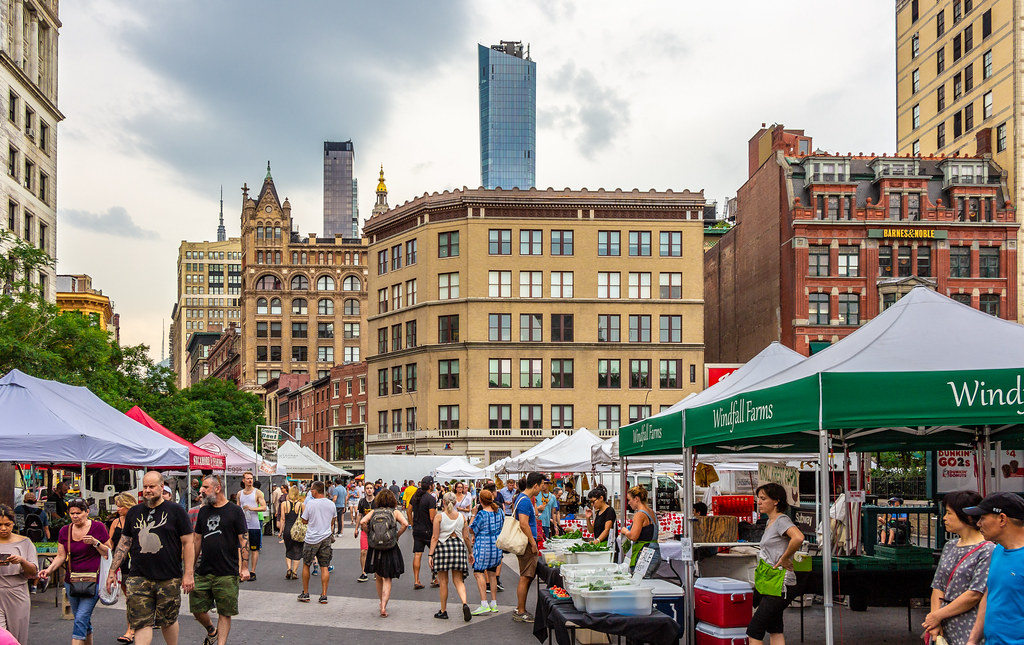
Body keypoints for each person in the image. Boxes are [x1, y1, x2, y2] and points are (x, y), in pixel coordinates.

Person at [106, 471, 195, 645]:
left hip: (168, 577)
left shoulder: (176, 511)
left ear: (162, 487)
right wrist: (112, 570)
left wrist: (189, 574)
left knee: (167, 620)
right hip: (138, 576)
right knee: (140, 622)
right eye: (145, 486)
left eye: (152, 486)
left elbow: (188, 543)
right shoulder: (134, 512)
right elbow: (124, 543)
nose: (147, 490)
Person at [922, 490, 993, 645]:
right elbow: (938, 585)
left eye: (949, 513)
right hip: (941, 625)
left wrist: (938, 615)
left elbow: (975, 594)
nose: (945, 518)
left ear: (967, 516)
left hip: (968, 627)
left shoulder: (987, 550)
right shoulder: (950, 546)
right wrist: (934, 620)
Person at [190, 476, 249, 645]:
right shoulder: (204, 511)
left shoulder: (234, 511)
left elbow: (243, 539)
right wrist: (190, 569)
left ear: (217, 488)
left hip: (227, 571)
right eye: (202, 487)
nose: (202, 490)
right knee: (197, 608)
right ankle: (211, 630)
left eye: (206, 487)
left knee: (225, 611)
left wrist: (245, 567)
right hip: (204, 570)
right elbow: (197, 540)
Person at [46, 499, 113, 645]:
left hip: (93, 580)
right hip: (72, 581)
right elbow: (61, 556)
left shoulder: (98, 527)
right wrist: (49, 570)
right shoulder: (65, 531)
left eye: (79, 513)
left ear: (87, 512)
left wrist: (96, 543)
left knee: (81, 618)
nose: (75, 516)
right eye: (72, 513)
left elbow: (108, 552)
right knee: (81, 619)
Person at [746, 482, 805, 645]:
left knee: (754, 630)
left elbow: (798, 537)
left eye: (763, 498)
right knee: (775, 628)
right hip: (771, 582)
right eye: (758, 498)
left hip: (781, 583)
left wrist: (785, 558)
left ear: (776, 501)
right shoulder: (769, 521)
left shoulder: (781, 520)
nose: (759, 502)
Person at [966, 492, 1024, 645]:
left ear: (1002, 519)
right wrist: (973, 640)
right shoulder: (998, 550)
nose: (978, 524)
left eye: (983, 518)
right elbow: (990, 594)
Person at [361, 488, 408, 617]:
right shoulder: (395, 512)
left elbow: (362, 521)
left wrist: (369, 533)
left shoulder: (374, 512)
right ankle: (384, 606)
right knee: (387, 577)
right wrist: (396, 535)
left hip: (375, 546)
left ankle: (380, 601)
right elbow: (405, 524)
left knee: (378, 575)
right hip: (390, 546)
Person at [428, 492, 473, 622]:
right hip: (458, 547)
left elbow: (435, 537)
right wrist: (470, 552)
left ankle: (443, 611)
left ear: (443, 502)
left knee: (443, 582)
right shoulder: (462, 517)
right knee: (458, 581)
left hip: (443, 547)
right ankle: (464, 603)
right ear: (455, 503)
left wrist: (431, 554)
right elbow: (466, 537)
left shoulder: (439, 517)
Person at [0, 504, 39, 645]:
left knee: (16, 637)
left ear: (13, 524)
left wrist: (21, 561)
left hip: (17, 592)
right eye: (0, 525)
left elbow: (33, 572)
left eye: (7, 524)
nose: (3, 528)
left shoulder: (25, 542)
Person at [297, 481, 335, 604]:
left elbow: (304, 520)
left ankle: (306, 592)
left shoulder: (311, 504)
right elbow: (333, 520)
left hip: (312, 538)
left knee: (306, 564)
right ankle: (324, 595)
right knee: (325, 566)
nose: (310, 491)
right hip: (326, 537)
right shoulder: (331, 504)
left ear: (315, 490)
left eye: (311, 489)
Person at [108, 492, 138, 644]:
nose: (118, 508)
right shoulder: (116, 522)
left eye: (121, 506)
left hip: (136, 563)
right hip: (122, 564)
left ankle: (131, 630)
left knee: (133, 598)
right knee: (129, 598)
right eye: (117, 506)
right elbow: (110, 543)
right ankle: (133, 627)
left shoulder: (137, 520)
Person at [512, 473, 542, 623]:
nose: (542, 488)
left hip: (526, 542)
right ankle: (520, 610)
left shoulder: (523, 499)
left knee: (527, 576)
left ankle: (520, 608)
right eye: (542, 485)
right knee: (525, 576)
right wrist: (532, 542)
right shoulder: (524, 501)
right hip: (526, 543)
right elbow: (523, 523)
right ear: (535, 485)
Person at [468, 488, 503, 615]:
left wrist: (472, 515)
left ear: (480, 500)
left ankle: (484, 603)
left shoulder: (482, 514)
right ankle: (494, 603)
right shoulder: (499, 512)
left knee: (478, 572)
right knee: (492, 574)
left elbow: (471, 529)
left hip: (483, 546)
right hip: (496, 545)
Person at [619, 485, 661, 574]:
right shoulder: (651, 512)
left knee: (640, 581)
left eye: (629, 500)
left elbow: (633, 536)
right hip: (655, 553)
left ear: (636, 499)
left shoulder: (639, 515)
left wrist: (625, 531)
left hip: (644, 554)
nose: (629, 503)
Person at [236, 472, 267, 582]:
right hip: (243, 525)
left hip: (254, 525)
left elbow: (264, 507)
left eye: (251, 478)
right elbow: (237, 508)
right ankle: (241, 571)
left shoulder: (257, 493)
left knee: (254, 549)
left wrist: (252, 508)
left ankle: (252, 571)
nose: (250, 480)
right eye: (247, 478)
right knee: (241, 548)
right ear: (243, 480)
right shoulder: (240, 493)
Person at [410, 476, 438, 590]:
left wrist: (412, 524)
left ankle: (416, 580)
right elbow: (432, 517)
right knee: (434, 554)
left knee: (417, 554)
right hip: (428, 530)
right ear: (430, 485)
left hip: (417, 530)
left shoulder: (416, 496)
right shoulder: (430, 499)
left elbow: (408, 510)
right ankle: (434, 578)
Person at [280, 486, 304, 580]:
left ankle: (289, 569)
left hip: (287, 529)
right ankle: (294, 572)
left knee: (288, 549)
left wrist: (281, 531)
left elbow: (282, 519)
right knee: (298, 550)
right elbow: (305, 519)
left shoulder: (284, 504)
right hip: (297, 530)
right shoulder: (302, 504)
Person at [356, 482, 376, 582]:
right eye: (367, 488)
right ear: (365, 490)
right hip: (364, 530)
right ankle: (364, 572)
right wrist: (356, 528)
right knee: (364, 551)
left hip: (376, 530)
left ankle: (377, 571)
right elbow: (359, 515)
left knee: (376, 551)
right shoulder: (362, 502)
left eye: (370, 488)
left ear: (373, 490)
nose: (369, 490)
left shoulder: (377, 501)